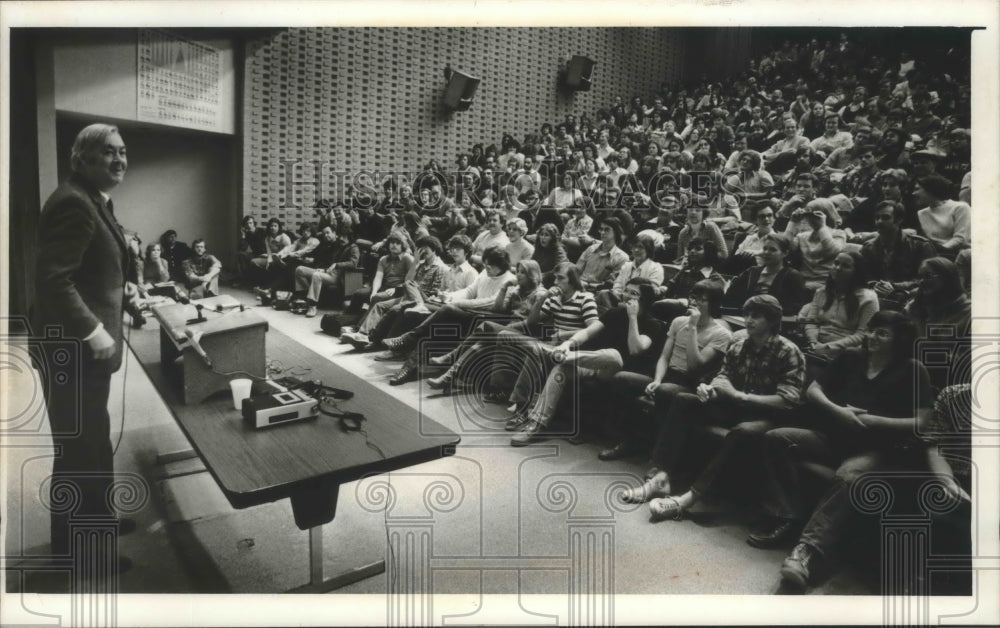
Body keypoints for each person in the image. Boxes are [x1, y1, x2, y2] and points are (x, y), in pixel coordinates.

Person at [32, 123, 136, 573]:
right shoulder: (75, 202)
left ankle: (97, 523)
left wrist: (125, 292)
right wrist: (95, 330)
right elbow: (54, 279)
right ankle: (80, 555)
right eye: (108, 153)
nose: (119, 160)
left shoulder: (94, 199)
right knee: (79, 448)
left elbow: (95, 268)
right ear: (83, 158)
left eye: (123, 152)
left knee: (92, 440)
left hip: (80, 351)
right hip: (71, 349)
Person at [765, 312, 932, 591]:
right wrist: (839, 412)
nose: (872, 336)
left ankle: (805, 552)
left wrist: (875, 421)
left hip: (873, 448)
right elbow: (814, 390)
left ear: (899, 339)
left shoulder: (914, 370)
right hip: (832, 437)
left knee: (848, 477)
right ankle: (788, 515)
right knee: (776, 438)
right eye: (872, 329)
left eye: (882, 333)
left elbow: (923, 421)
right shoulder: (851, 357)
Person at [620, 295, 805, 522]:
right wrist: (710, 390)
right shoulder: (739, 345)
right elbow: (723, 378)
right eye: (747, 314)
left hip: (769, 416)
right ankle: (661, 476)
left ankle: (689, 498)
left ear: (772, 321)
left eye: (756, 316)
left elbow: (788, 400)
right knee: (684, 401)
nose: (748, 320)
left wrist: (741, 396)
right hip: (735, 405)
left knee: (744, 431)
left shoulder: (788, 351)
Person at [510, 278, 666, 446]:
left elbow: (636, 349)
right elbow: (587, 332)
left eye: (633, 293)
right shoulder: (614, 313)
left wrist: (633, 318)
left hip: (617, 370)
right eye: (626, 290)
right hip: (592, 364)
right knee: (562, 368)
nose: (626, 295)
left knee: (613, 355)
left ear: (645, 299)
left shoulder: (652, 324)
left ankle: (555, 354)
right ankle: (536, 425)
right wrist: (567, 344)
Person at [599, 280, 732, 461]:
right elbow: (664, 357)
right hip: (666, 376)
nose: (696, 303)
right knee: (623, 378)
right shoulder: (678, 322)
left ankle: (658, 454)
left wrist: (692, 327)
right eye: (694, 297)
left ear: (714, 304)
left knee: (666, 391)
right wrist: (657, 380)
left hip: (691, 384)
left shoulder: (721, 334)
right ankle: (624, 441)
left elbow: (695, 367)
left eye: (703, 300)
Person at [798, 250, 879, 361]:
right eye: (836, 263)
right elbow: (811, 322)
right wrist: (813, 342)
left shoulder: (868, 298)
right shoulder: (821, 292)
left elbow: (862, 334)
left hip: (846, 351)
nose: (837, 268)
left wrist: (828, 347)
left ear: (857, 272)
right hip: (815, 346)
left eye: (845, 266)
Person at [862, 201, 936, 301]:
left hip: (910, 299)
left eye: (885, 217)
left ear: (899, 220)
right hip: (875, 297)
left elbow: (929, 279)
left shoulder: (920, 245)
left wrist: (895, 286)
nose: (879, 221)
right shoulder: (868, 247)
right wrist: (874, 284)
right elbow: (864, 275)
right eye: (877, 217)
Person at [723, 232, 809, 315]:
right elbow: (731, 297)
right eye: (765, 249)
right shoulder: (751, 272)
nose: (767, 252)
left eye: (772, 250)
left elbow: (793, 308)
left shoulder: (793, 277)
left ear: (785, 253)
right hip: (744, 317)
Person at [913, 174, 971, 257]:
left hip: (957, 255)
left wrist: (938, 252)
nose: (913, 193)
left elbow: (961, 239)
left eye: (917, 189)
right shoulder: (921, 213)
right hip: (933, 255)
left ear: (930, 189)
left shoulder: (960, 207)